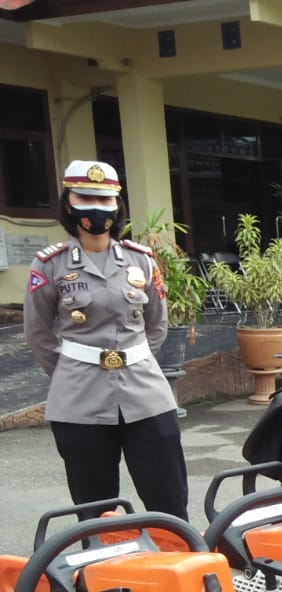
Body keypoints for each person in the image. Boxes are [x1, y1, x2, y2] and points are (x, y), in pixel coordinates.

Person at [23, 159, 189, 520]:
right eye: (86, 199)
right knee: (95, 509)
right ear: (69, 203)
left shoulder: (140, 261)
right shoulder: (49, 265)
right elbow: (38, 334)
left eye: (105, 201)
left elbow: (156, 325)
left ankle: (184, 569)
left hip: (145, 393)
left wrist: (133, 358)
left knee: (169, 501)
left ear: (117, 205)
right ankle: (104, 574)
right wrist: (72, 370)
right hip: (79, 399)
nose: (97, 210)